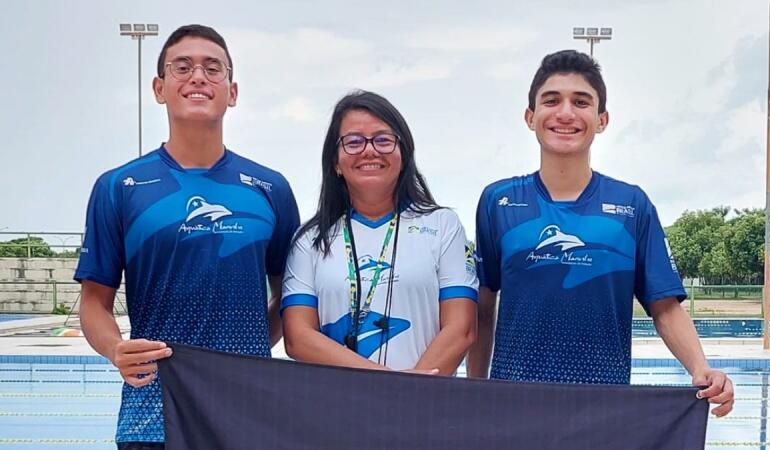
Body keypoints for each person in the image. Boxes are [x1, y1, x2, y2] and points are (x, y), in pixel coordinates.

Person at [466, 49, 734, 417]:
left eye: (581, 102)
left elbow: (665, 306)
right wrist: (476, 392)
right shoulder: (498, 201)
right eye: (551, 100)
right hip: (515, 407)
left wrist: (700, 369)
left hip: (602, 413)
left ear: (602, 119)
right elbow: (482, 306)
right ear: (530, 117)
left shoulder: (632, 205)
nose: (565, 113)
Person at [75, 24, 300, 448]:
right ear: (159, 88)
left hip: (247, 410)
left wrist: (248, 346)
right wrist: (116, 349)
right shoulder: (118, 186)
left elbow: (290, 297)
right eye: (183, 67)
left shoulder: (270, 189)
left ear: (232, 91)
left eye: (213, 68)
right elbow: (94, 302)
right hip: (154, 411)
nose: (198, 76)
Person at [282, 90, 476, 375]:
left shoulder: (443, 225)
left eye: (383, 140)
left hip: (424, 405)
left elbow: (462, 329)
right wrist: (386, 384)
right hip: (336, 409)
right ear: (335, 162)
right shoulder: (310, 240)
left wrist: (409, 390)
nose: (369, 150)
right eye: (353, 142)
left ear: (403, 153)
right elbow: (298, 338)